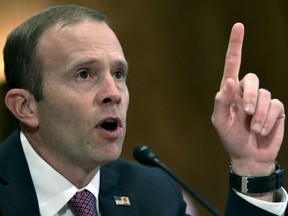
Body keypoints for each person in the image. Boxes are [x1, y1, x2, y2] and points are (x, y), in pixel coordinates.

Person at [0, 4, 286, 216]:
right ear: (26, 107)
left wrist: (253, 168)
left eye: (119, 73)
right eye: (84, 74)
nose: (113, 93)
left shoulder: (154, 193)